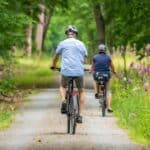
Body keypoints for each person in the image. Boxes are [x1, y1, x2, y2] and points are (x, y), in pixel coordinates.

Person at [51, 25, 88, 123]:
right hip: (78, 71)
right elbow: (84, 60)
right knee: (81, 90)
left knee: (63, 86)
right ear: (75, 35)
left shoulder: (62, 43)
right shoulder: (81, 44)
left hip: (66, 70)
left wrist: (53, 65)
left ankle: (63, 101)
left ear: (67, 35)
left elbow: (56, 57)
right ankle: (80, 115)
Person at [90, 44, 116, 112]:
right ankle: (109, 107)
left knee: (95, 80)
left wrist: (90, 71)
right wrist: (114, 71)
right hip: (106, 75)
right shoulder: (108, 57)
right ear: (105, 50)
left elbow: (92, 67)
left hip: (97, 74)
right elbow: (112, 66)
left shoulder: (94, 57)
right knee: (108, 91)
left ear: (99, 50)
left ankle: (96, 92)